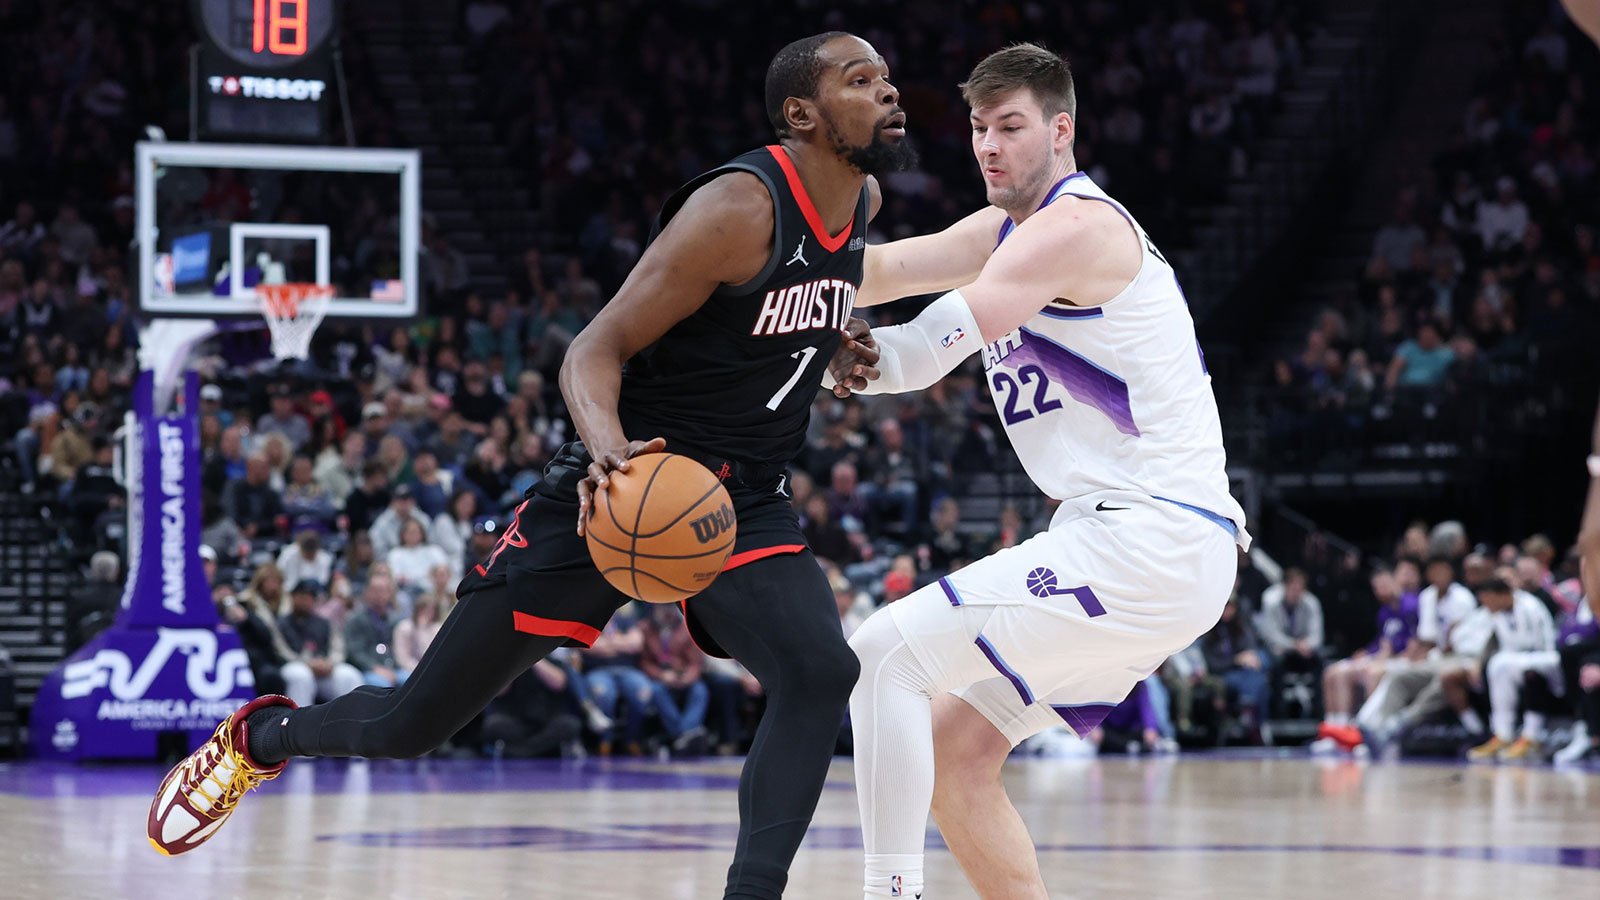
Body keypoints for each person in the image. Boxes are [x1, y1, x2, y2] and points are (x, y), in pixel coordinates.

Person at [153, 32, 913, 900]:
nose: (889, 92)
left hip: (742, 502)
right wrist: (609, 453)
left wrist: (829, 341)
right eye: (862, 80)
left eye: (888, 78)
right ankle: (262, 740)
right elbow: (595, 350)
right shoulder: (740, 208)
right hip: (621, 488)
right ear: (801, 114)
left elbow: (773, 317)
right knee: (411, 726)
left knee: (822, 672)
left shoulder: (866, 200)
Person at [837, 44, 1247, 899]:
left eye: (1012, 127)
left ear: (1061, 132)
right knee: (955, 756)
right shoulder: (1003, 232)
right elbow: (875, 272)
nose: (990, 146)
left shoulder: (1078, 227)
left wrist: (855, 360)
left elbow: (926, 346)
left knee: (882, 655)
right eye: (980, 129)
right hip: (1137, 543)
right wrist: (774, 257)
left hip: (1150, 536)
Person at [277, 580, 363, 708]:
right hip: (294, 665)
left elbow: (337, 648)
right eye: (302, 596)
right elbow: (280, 649)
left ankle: (351, 723)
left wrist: (330, 662)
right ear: (293, 597)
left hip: (324, 668)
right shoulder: (281, 622)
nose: (306, 601)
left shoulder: (324, 622)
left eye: (310, 598)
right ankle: (300, 724)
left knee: (349, 675)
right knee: (300, 676)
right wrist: (307, 663)